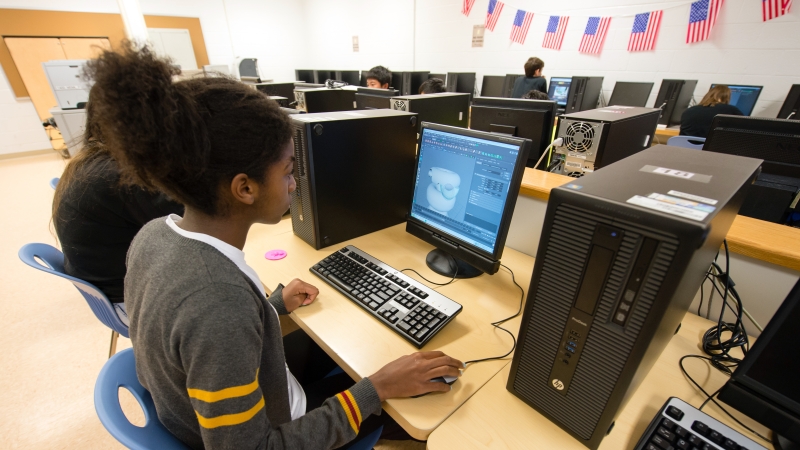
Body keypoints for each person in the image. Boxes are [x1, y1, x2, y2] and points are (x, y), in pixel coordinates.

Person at [84, 43, 463, 450]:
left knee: (358, 356)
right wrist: (375, 390)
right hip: (275, 427)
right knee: (429, 414)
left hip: (221, 407)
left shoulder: (155, 234)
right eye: (287, 172)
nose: (294, 184)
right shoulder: (217, 302)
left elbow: (201, 330)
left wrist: (271, 307)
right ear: (244, 188)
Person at [52, 88, 184, 306]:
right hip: (131, 301)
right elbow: (193, 219)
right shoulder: (120, 175)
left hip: (110, 289)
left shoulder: (94, 159)